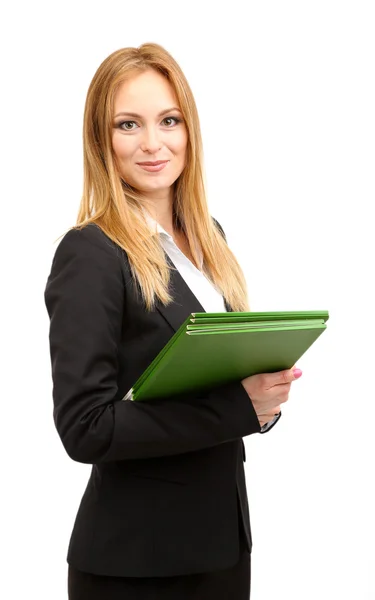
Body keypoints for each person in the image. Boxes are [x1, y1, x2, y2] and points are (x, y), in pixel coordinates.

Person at [44, 42, 303, 600]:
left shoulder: (210, 239)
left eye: (168, 120)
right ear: (101, 140)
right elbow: (84, 427)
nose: (153, 143)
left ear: (190, 128)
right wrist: (239, 407)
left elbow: (218, 383)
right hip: (136, 564)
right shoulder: (90, 252)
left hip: (222, 550)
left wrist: (265, 397)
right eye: (128, 124)